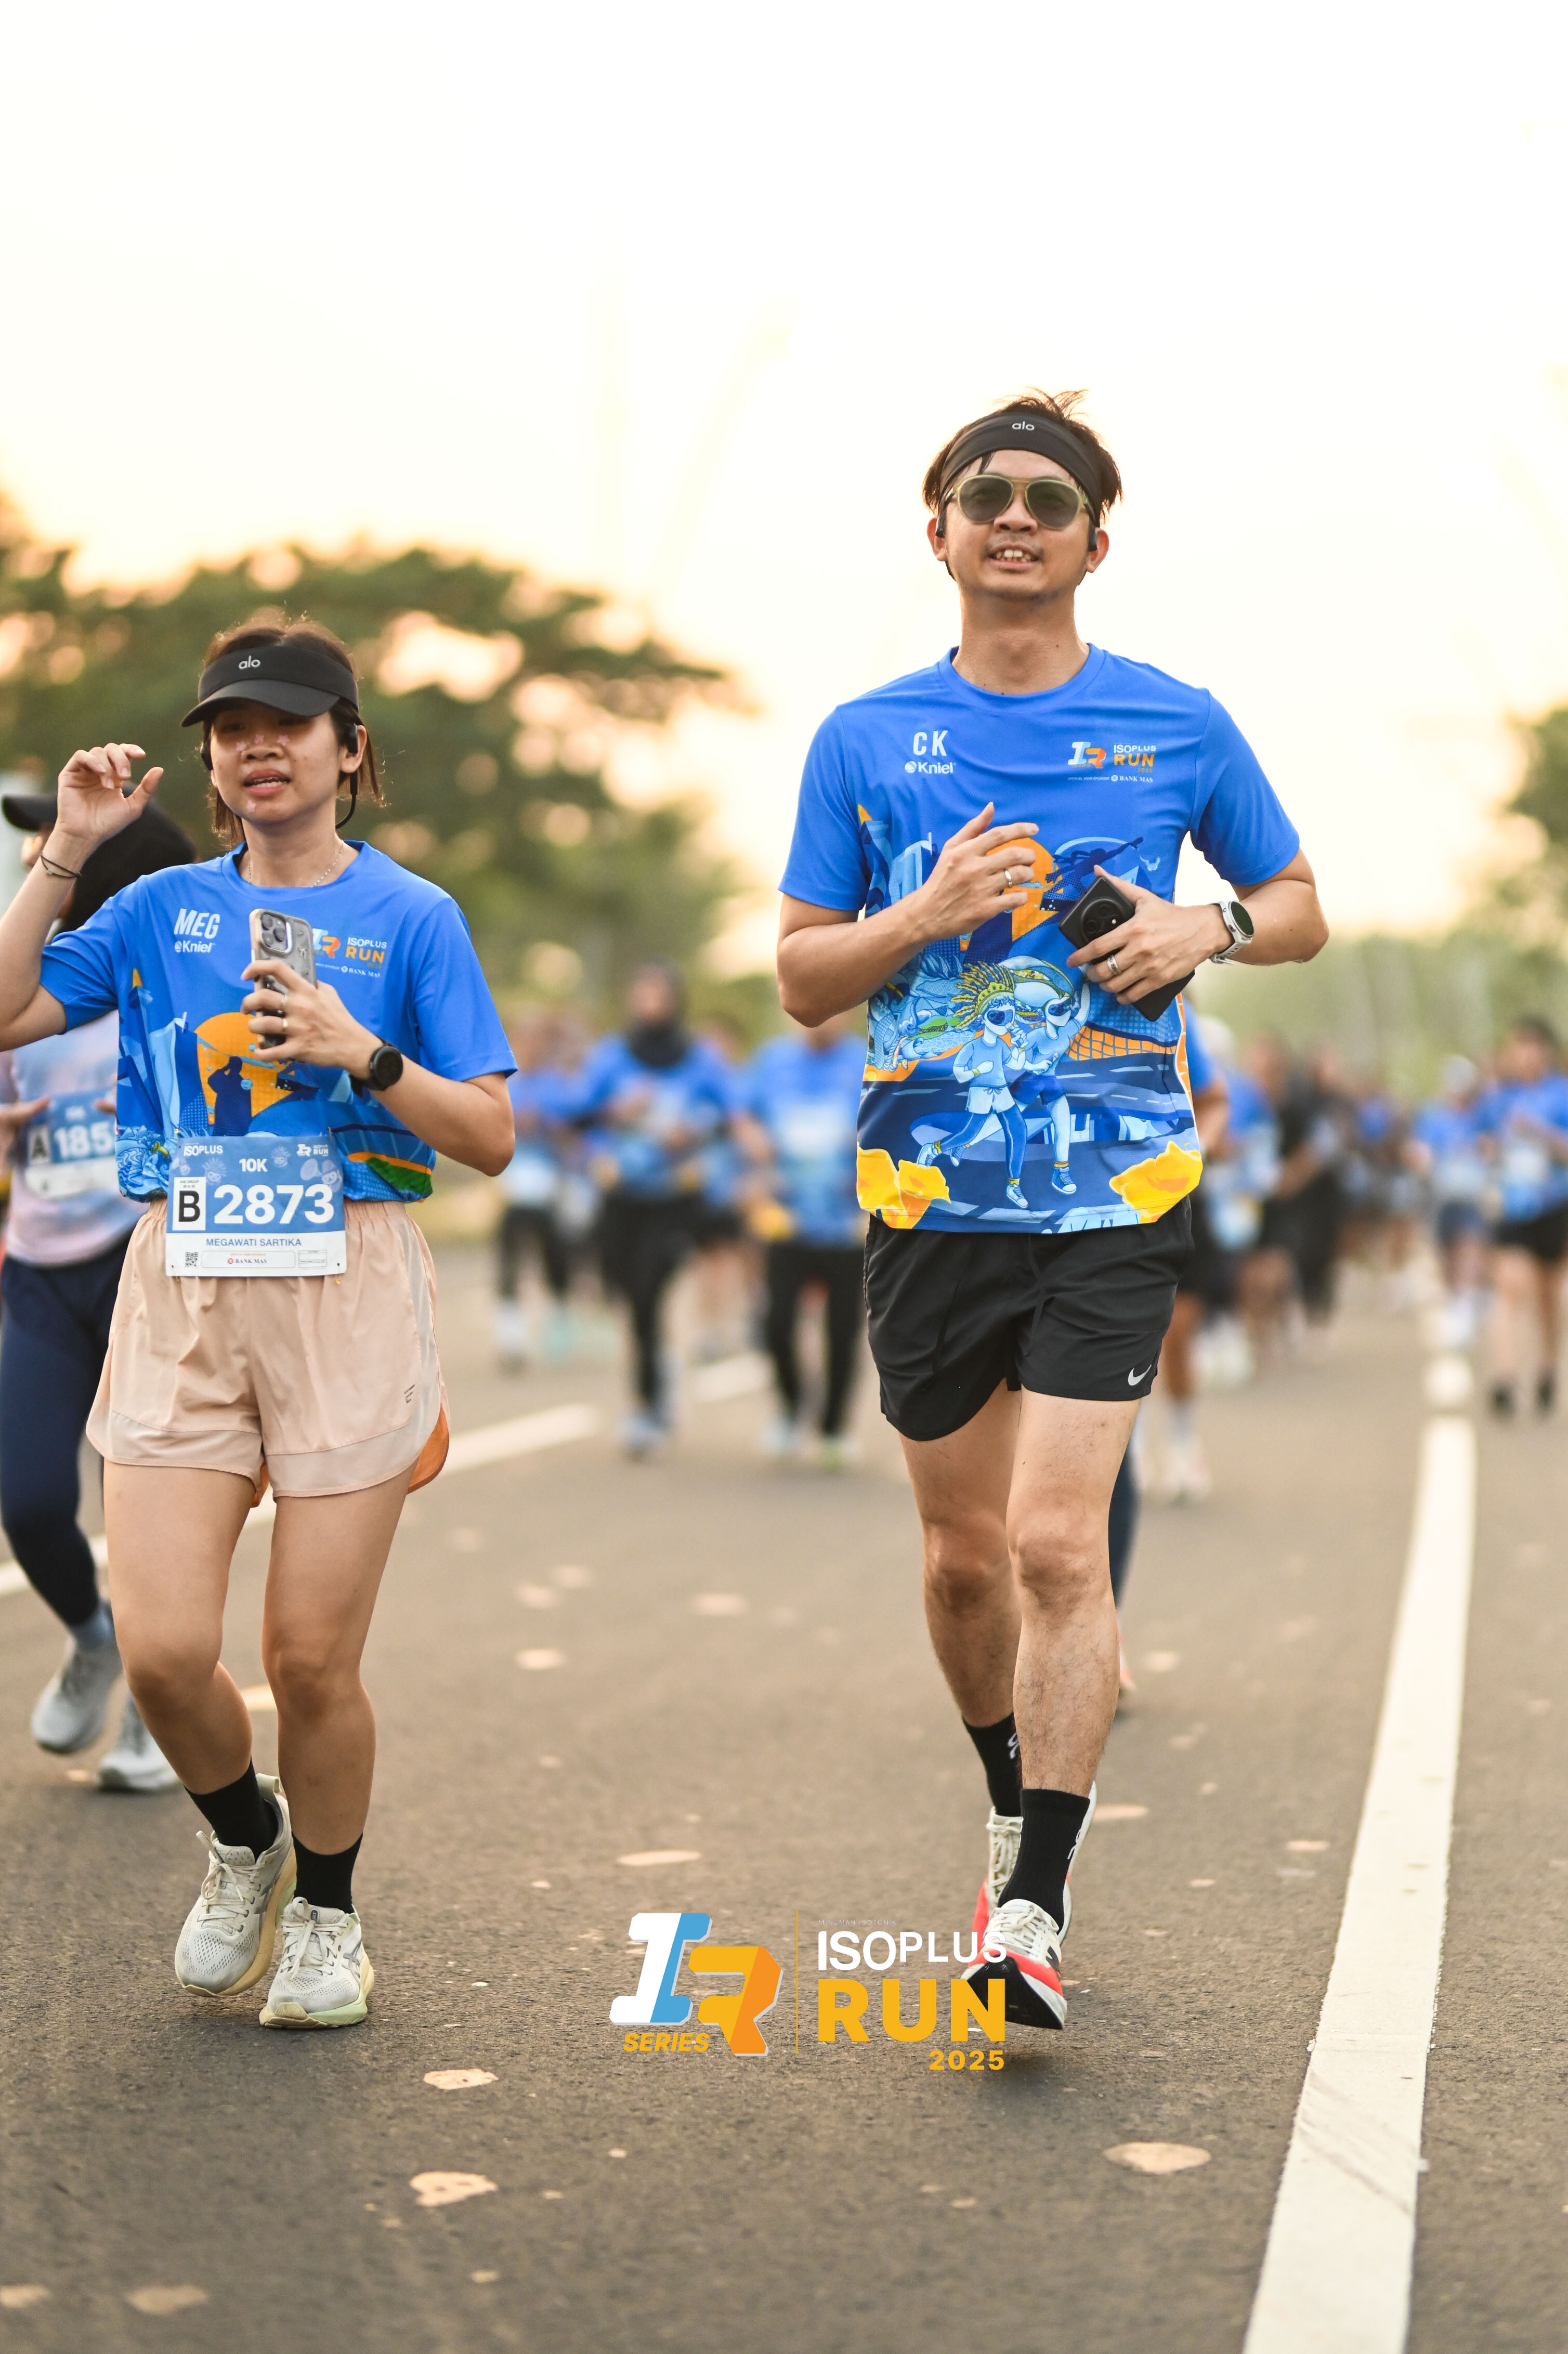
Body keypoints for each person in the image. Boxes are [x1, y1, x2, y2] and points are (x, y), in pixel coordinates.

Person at [776, 390, 1326, 2031]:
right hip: (929, 1196)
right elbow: (802, 975)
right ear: (938, 530)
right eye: (985, 495)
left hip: (1116, 1185)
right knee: (964, 1567)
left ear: (1096, 539)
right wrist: (925, 912)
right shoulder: (862, 737)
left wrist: (1208, 927)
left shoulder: (1178, 722)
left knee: (1053, 1544)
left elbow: (1299, 903)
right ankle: (1008, 1799)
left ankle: (1032, 1904)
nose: (1014, 517)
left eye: (1049, 498)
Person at [0, 618, 514, 2029]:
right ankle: (247, 1837)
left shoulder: (413, 916)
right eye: (231, 730)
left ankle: (330, 1916)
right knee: (163, 1650)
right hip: (185, 1278)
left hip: (348, 1281)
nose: (255, 748)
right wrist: (66, 851)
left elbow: (489, 1133)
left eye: (286, 725)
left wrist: (367, 1053)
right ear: (213, 765)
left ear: (349, 749)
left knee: (306, 1657)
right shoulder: (158, 912)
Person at [0, 793, 197, 1787]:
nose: (35, 863)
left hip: (142, 1263)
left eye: (56, 851)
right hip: (39, 1272)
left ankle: (164, 1710)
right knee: (30, 1497)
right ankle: (94, 1635)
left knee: (149, 1507)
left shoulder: (168, 991)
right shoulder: (20, 995)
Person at [570, 963, 736, 1455]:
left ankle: (647, 1407)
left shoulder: (700, 1058)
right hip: (622, 1196)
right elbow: (578, 1118)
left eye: (658, 993)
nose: (650, 1002)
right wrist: (615, 1112)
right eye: (642, 992)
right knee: (627, 1294)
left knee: (649, 1291)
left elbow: (730, 1118)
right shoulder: (611, 1056)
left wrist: (694, 1131)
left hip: (676, 1199)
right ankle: (658, 1370)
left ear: (675, 999)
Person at [737, 1013, 867, 1468]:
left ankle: (834, 1429)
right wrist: (755, 1144)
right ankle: (791, 1411)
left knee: (842, 1330)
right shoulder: (772, 1061)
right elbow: (742, 1116)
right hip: (785, 1219)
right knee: (776, 1323)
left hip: (847, 1223)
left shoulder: (865, 1061)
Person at [1148, 1005, 1230, 1503]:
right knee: (1113, 1348)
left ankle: (1183, 1444)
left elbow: (1216, 1105)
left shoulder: (1179, 1019)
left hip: (1177, 1203)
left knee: (1177, 1338)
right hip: (1097, 1211)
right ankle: (1129, 1455)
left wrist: (1193, 1154)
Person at [1474, 1015, 1568, 1416]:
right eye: (1519, 1047)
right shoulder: (1497, 1098)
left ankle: (1547, 1367)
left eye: (1533, 1047)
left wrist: (1540, 1134)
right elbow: (1479, 1141)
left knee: (1548, 1295)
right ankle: (1505, 1378)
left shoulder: (1561, 1093)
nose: (1526, 1055)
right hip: (1512, 1206)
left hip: (1554, 1204)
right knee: (1512, 1287)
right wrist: (1490, 1150)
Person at [495, 1010, 574, 1370]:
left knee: (554, 1255)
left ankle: (558, 1320)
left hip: (548, 1185)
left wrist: (544, 1124)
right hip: (512, 1186)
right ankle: (511, 1336)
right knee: (511, 1259)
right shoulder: (501, 1083)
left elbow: (573, 1132)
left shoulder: (555, 1085)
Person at [1410, 1054, 1488, 1348]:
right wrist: (1421, 1158)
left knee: (1470, 1247)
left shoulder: (1482, 1116)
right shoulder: (1432, 1116)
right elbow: (1418, 1149)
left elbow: (1495, 1143)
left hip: (1472, 1196)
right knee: (1446, 1254)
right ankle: (1457, 1300)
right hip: (1440, 1197)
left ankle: (1465, 1307)